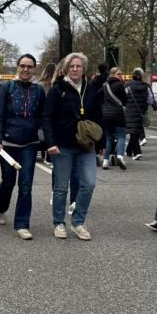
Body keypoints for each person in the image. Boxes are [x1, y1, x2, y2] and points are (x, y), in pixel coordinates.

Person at [43, 52, 101, 240]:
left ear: (84, 69)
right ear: (66, 69)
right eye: (72, 66)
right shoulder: (57, 89)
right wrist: (50, 143)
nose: (75, 69)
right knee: (61, 187)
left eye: (78, 66)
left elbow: (98, 116)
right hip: (62, 145)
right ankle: (59, 223)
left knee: (89, 184)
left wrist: (100, 143)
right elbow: (47, 117)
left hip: (86, 145)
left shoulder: (91, 89)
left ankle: (78, 222)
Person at [0, 53, 45, 239]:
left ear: (34, 69)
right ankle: (1, 207)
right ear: (18, 67)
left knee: (26, 184)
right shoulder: (7, 87)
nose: (25, 69)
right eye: (22, 66)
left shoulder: (39, 90)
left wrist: (47, 139)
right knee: (8, 181)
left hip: (29, 144)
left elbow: (43, 116)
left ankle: (22, 224)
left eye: (29, 66)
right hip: (8, 144)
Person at [125, 68, 156, 160]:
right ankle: (129, 151)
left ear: (133, 75)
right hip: (141, 111)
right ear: (141, 76)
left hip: (129, 110)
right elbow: (150, 99)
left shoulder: (127, 85)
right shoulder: (146, 86)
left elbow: (123, 97)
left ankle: (137, 152)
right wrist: (155, 107)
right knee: (136, 130)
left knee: (133, 131)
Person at [101, 67, 127, 170]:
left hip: (106, 115)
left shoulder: (104, 85)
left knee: (108, 138)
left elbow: (99, 96)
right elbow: (125, 99)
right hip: (117, 114)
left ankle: (105, 161)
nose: (121, 76)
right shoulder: (119, 85)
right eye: (119, 74)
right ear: (113, 74)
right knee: (121, 136)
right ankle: (120, 156)